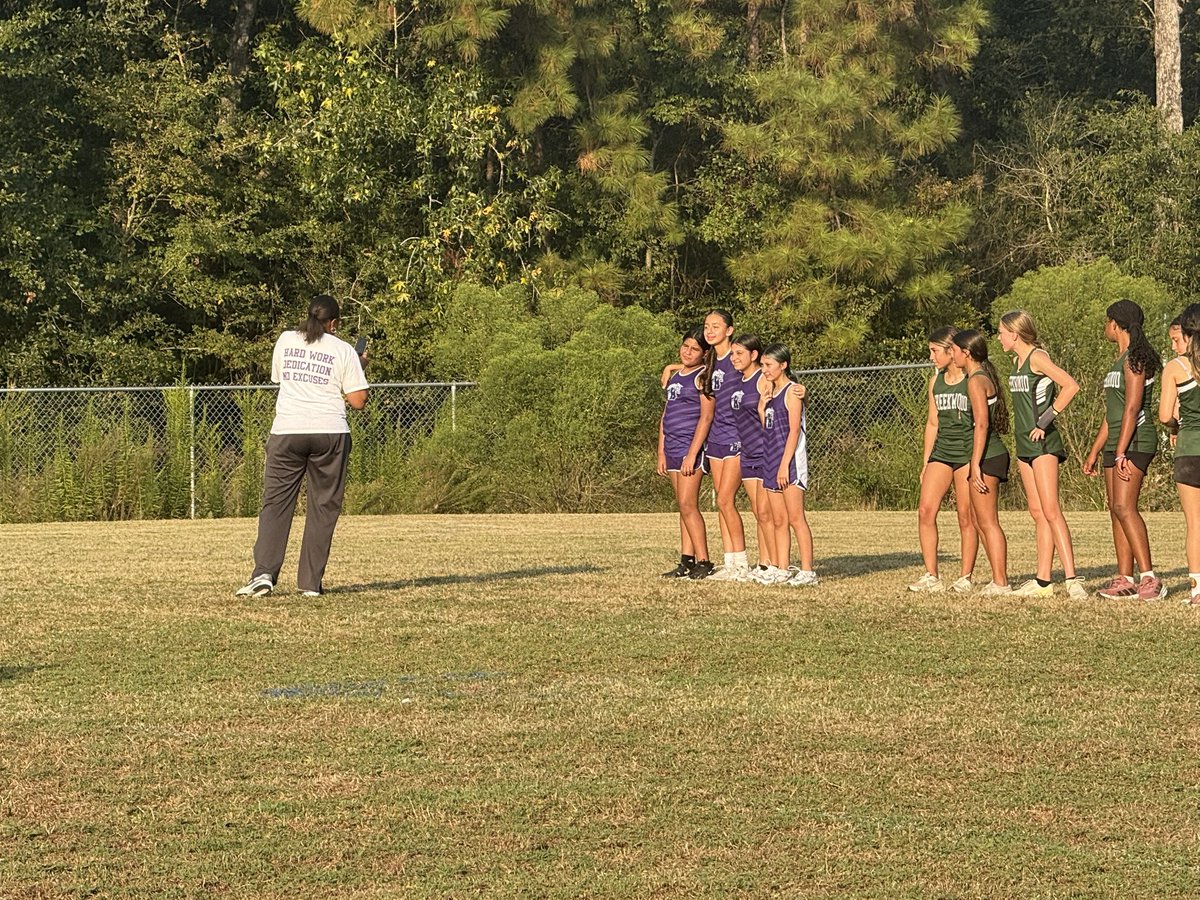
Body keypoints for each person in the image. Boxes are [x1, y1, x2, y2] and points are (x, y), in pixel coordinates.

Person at [236, 294, 369, 597]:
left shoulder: (285, 340)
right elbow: (358, 401)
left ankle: (263, 573)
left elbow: (280, 378)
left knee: (276, 504)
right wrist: (359, 366)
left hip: (286, 432)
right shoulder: (344, 350)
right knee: (323, 507)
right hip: (329, 433)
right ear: (334, 323)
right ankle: (309, 584)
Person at [998, 309, 1086, 599]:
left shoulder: (1037, 357)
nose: (999, 337)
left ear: (1014, 333)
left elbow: (1071, 385)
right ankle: (1043, 581)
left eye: (1001, 332)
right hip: (1024, 445)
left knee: (1051, 510)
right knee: (1037, 512)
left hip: (1044, 444)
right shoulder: (1016, 360)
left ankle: (1073, 579)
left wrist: (1045, 420)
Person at [1083, 300, 1164, 600]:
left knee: (1125, 507)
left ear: (1116, 325)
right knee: (1115, 510)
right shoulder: (1117, 361)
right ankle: (1125, 579)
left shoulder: (1135, 359)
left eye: (1107, 322)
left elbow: (1132, 408)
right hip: (1117, 441)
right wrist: (1096, 450)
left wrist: (1120, 452)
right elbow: (1113, 412)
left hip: (1135, 442)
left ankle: (1150, 578)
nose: (1105, 327)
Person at [909, 327, 978, 594]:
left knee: (965, 516)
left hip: (966, 453)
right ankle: (931, 575)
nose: (931, 356)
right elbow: (932, 422)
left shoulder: (972, 377)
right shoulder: (935, 381)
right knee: (926, 510)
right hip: (942, 452)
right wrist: (926, 462)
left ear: (952, 351)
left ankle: (965, 577)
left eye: (935, 350)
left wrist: (976, 460)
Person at [950, 329, 1011, 595]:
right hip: (987, 454)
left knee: (988, 521)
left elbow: (982, 424)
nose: (951, 355)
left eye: (954, 350)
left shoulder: (976, 380)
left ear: (966, 352)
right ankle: (997, 578)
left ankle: (1001, 581)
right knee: (978, 519)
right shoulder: (979, 376)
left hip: (988, 456)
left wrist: (974, 464)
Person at [658, 327, 716, 579]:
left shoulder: (703, 377)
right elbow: (665, 416)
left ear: (704, 354)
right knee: (681, 506)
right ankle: (687, 560)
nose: (687, 352)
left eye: (694, 349)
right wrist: (661, 451)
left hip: (688, 447)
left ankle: (704, 559)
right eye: (685, 346)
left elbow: (706, 417)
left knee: (688, 504)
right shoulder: (676, 375)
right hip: (671, 446)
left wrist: (693, 453)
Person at [758, 344, 817, 586]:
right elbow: (768, 428)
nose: (765, 370)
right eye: (762, 365)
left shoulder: (793, 392)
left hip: (789, 462)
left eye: (768, 365)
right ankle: (782, 567)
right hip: (770, 459)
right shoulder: (771, 393)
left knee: (796, 518)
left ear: (783, 365)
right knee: (778, 519)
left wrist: (784, 466)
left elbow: (793, 432)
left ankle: (807, 570)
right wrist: (762, 406)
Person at [700, 310, 750, 581]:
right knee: (720, 502)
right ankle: (729, 562)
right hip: (716, 439)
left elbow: (767, 371)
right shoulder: (710, 361)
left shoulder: (737, 357)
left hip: (737, 437)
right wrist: (670, 368)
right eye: (707, 326)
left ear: (729, 330)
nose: (709, 331)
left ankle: (742, 563)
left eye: (715, 326)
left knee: (725, 499)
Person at [1159, 303, 1200, 605]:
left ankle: (1198, 590)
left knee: (1194, 524)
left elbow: (1163, 415)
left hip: (1188, 448)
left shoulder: (1176, 367)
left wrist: (1177, 421)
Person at [729, 334, 776, 580]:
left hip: (764, 451)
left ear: (754, 355)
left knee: (766, 512)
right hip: (746, 452)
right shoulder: (739, 380)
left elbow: (776, 410)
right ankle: (763, 562)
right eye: (733, 354)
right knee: (758, 512)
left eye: (740, 353)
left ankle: (774, 564)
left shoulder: (762, 380)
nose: (734, 358)